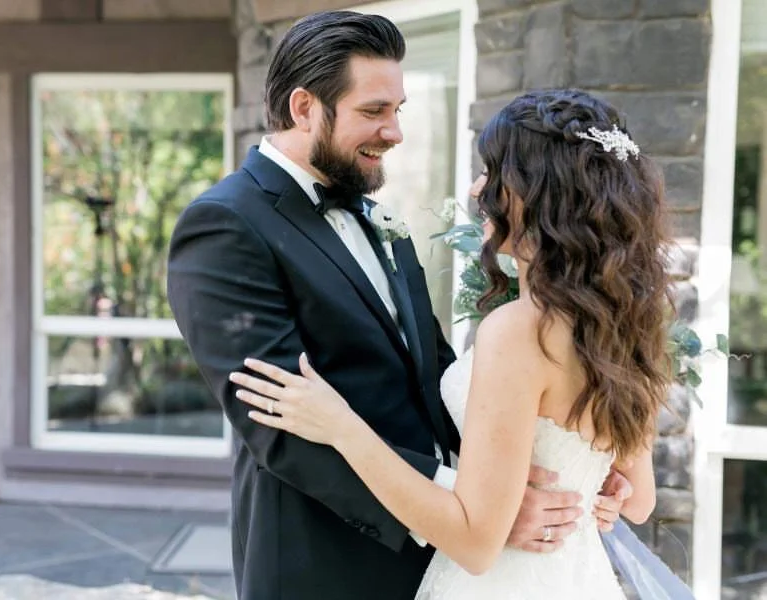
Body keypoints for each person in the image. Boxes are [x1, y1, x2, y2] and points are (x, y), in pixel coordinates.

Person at [167, 10, 628, 599]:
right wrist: (467, 500)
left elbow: (432, 373)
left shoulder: (381, 215)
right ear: (304, 107)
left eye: (397, 110)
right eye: (372, 111)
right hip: (326, 561)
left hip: (452, 554)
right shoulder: (224, 225)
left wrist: (537, 476)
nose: (394, 132)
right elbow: (280, 425)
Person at [229, 88, 669, 598]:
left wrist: (341, 426)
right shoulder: (627, 320)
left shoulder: (518, 330)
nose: (480, 186)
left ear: (538, 192)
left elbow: (475, 543)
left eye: (495, 171)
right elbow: (639, 500)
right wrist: (598, 490)